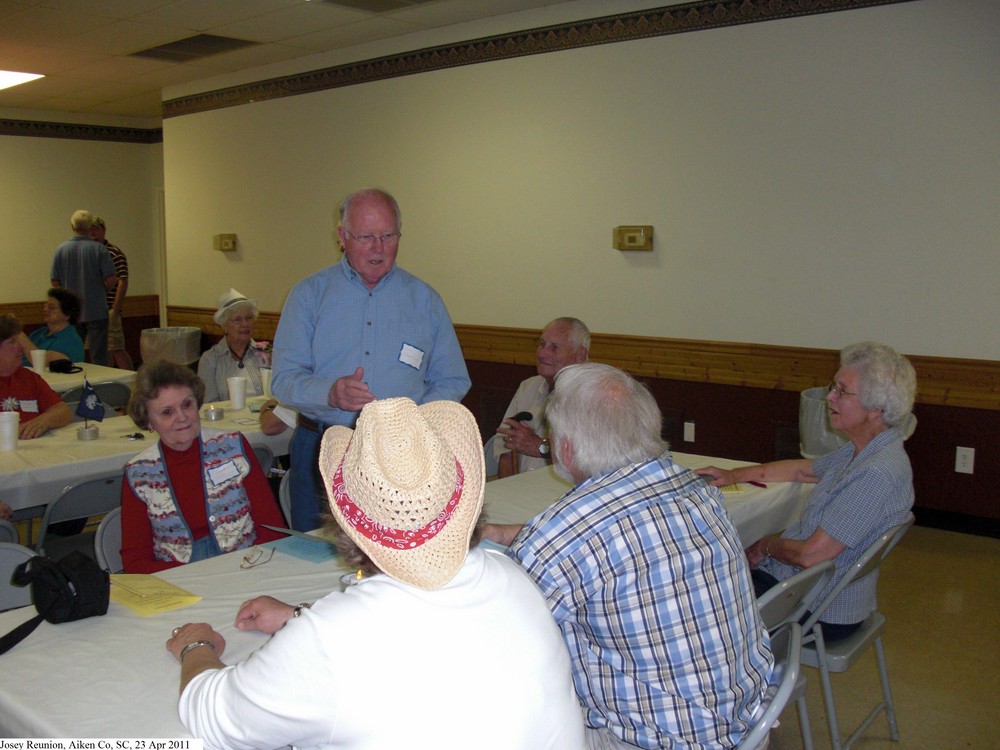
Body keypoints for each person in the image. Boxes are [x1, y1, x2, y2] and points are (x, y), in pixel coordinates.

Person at [165, 397, 585, 750]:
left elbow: (214, 715)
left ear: (344, 524)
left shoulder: (331, 640)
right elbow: (421, 636)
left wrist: (196, 646)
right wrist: (300, 618)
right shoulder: (511, 576)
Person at [484, 363, 772, 750]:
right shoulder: (697, 490)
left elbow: (501, 640)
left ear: (565, 448)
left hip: (657, 742)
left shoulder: (564, 535)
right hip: (752, 723)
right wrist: (499, 533)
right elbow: (610, 532)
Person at [272, 188, 470, 531]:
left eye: (388, 236)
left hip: (403, 456)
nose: (378, 248)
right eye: (366, 237)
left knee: (394, 551)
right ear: (342, 237)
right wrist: (329, 393)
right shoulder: (308, 296)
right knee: (312, 557)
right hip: (322, 447)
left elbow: (453, 379)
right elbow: (284, 380)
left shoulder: (425, 301)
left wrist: (411, 422)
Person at [697, 341, 917, 643]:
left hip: (816, 608)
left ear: (875, 410)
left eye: (842, 391)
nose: (830, 397)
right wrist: (734, 474)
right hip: (804, 588)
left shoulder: (875, 472)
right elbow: (803, 470)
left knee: (690, 593)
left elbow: (812, 555)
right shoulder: (865, 450)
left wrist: (767, 546)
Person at [120, 361, 286, 574]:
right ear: (149, 420)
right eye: (167, 412)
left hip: (247, 565)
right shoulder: (139, 472)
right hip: (180, 578)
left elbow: (272, 526)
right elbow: (135, 560)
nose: (182, 417)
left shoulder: (232, 446)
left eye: (187, 404)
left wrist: (256, 567)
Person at [493, 316, 589, 477]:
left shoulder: (596, 395)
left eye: (554, 347)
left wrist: (539, 447)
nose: (543, 353)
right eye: (542, 344)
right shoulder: (528, 387)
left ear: (580, 354)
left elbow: (590, 461)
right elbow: (505, 450)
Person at [49, 209, 117, 366]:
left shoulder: (61, 250)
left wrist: (66, 299)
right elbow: (111, 279)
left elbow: (55, 281)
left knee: (73, 353)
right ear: (90, 227)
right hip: (97, 310)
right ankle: (100, 387)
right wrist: (101, 291)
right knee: (99, 356)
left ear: (72, 226)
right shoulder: (99, 249)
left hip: (71, 312)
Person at [0, 314, 72, 439]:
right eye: (12, 342)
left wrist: (43, 421)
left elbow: (63, 411)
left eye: (18, 340)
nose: (21, 347)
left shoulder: (28, 378)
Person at [90, 216, 134, 370]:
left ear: (103, 230)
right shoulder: (89, 253)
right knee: (101, 350)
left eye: (97, 228)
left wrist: (115, 308)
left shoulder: (115, 253)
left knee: (116, 347)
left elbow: (123, 280)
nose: (93, 232)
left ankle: (132, 382)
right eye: (91, 229)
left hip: (109, 307)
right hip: (92, 311)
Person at [17, 288, 85, 366]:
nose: (45, 309)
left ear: (67, 315)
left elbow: (41, 363)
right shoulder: (39, 333)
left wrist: (18, 333)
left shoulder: (71, 340)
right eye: (45, 306)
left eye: (51, 307)